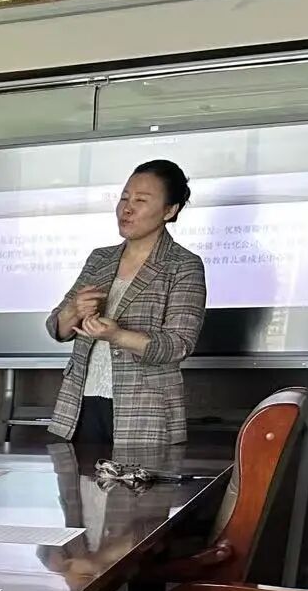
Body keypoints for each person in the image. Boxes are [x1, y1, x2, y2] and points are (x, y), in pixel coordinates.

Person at [46, 159, 207, 446]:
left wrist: (117, 336)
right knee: (76, 476)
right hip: (80, 405)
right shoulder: (100, 259)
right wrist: (73, 310)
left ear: (170, 210)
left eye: (141, 200)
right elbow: (57, 328)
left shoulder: (183, 265)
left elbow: (179, 344)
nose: (127, 209)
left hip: (145, 412)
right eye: (124, 198)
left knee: (138, 478)